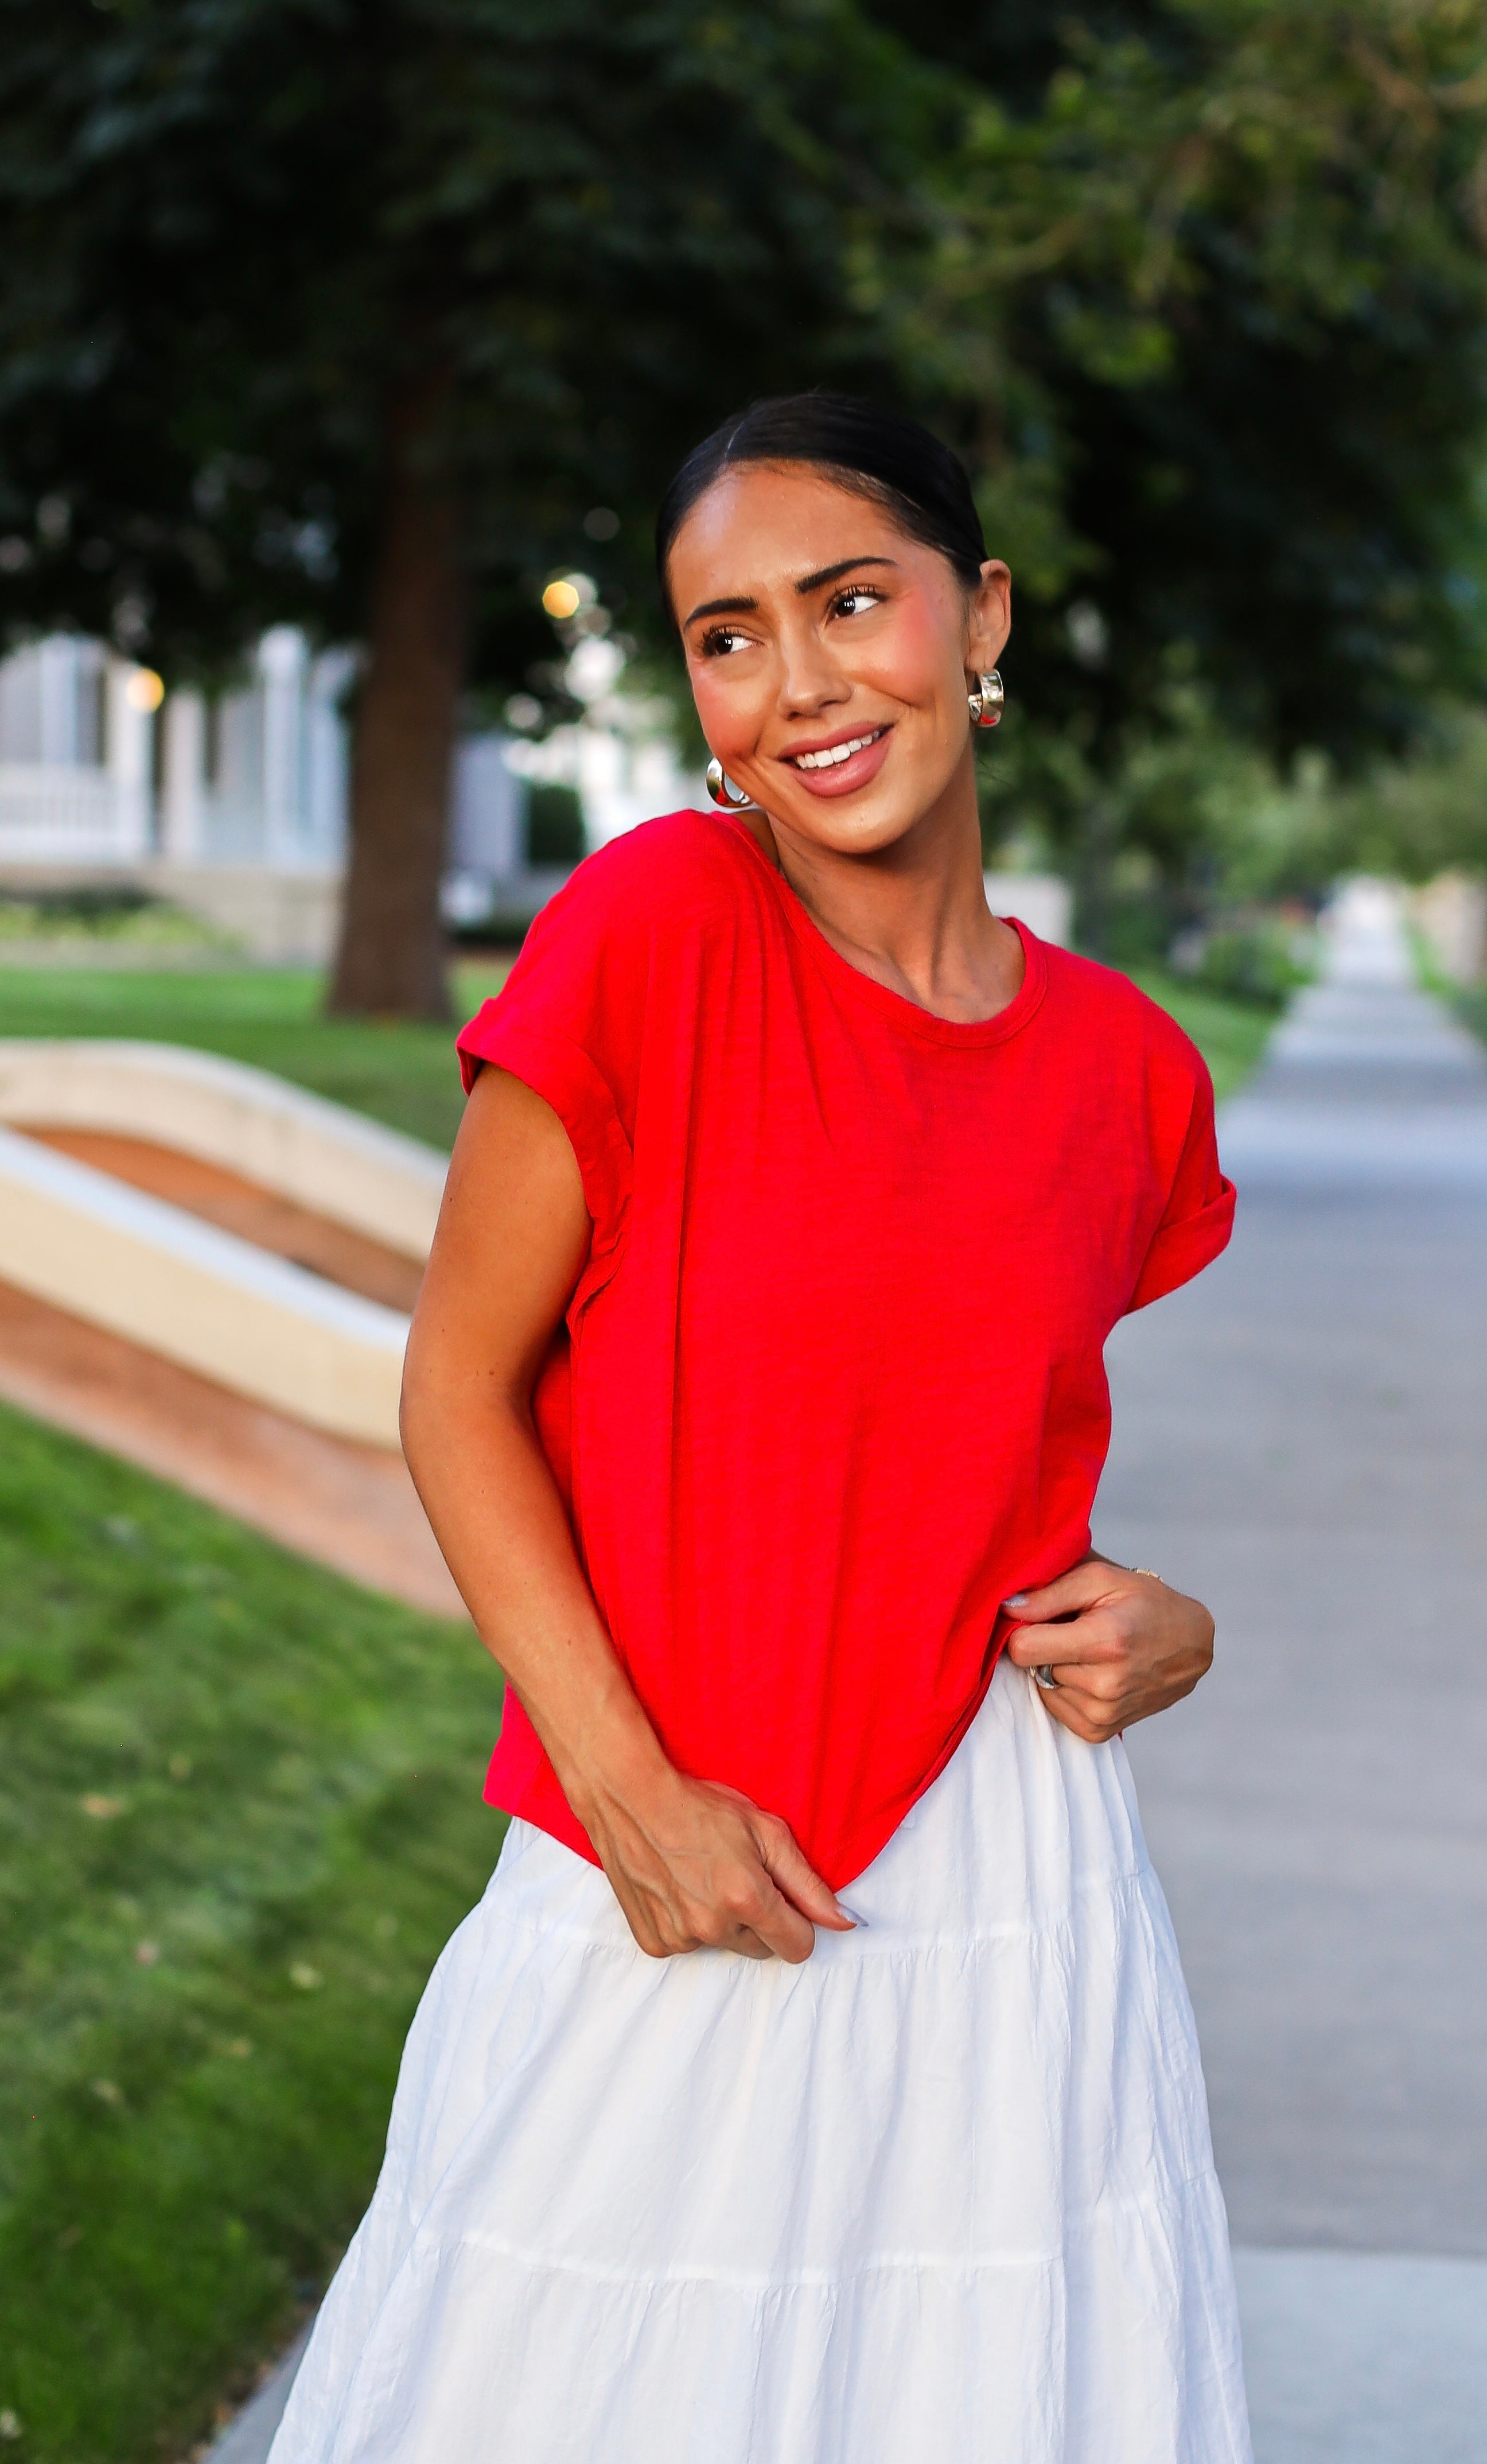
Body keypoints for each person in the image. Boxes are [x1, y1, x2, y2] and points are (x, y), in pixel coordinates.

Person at [270, 392, 1251, 2463]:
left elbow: (951, 1432)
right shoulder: (650, 935)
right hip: (681, 1837)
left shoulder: (1130, 1075)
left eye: (851, 602)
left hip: (1009, 1880)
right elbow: (458, 1394)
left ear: (978, 620)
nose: (797, 682)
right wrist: (624, 1791)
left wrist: (1165, 1627)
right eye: (728, 636)